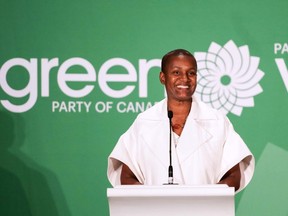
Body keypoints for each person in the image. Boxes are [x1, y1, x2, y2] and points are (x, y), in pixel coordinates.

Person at [107, 49, 255, 192]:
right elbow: (126, 177)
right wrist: (152, 200)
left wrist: (207, 199)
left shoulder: (217, 121)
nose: (185, 79)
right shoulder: (144, 121)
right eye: (176, 72)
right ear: (162, 77)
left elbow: (234, 176)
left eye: (191, 73)